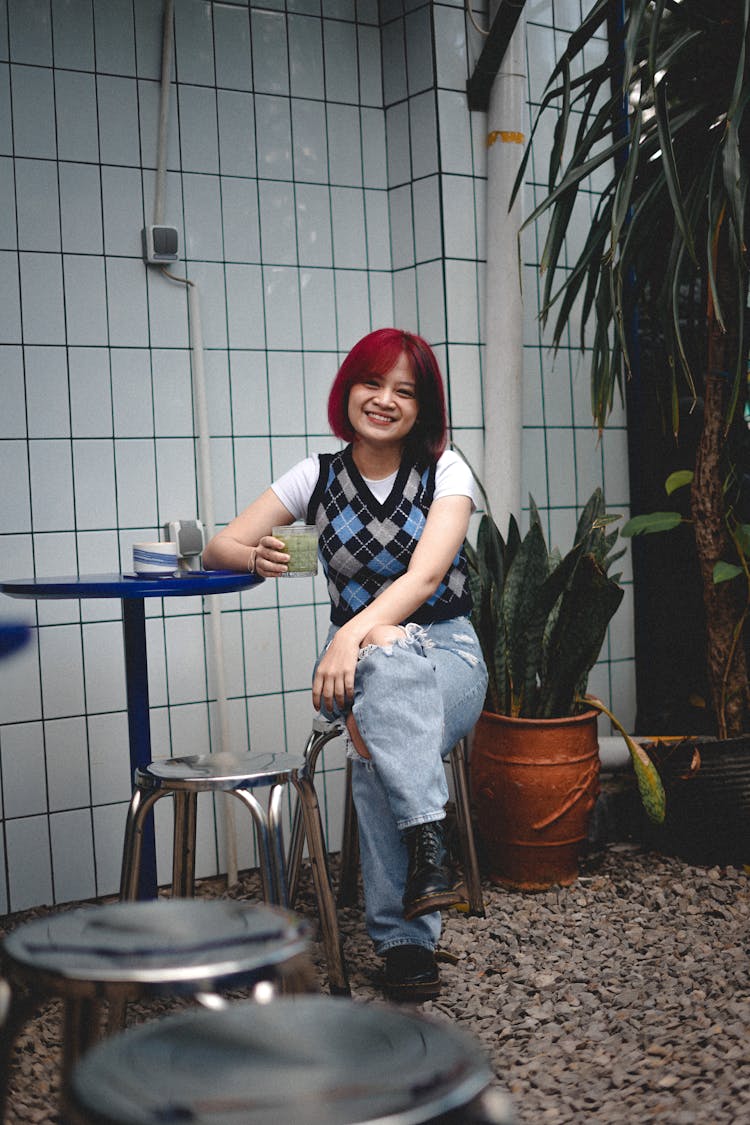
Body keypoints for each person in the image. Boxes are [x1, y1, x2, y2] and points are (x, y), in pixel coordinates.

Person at [202, 328, 488, 1001]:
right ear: (349, 389)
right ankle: (425, 858)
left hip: (447, 655)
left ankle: (403, 935)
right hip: (363, 672)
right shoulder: (318, 476)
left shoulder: (448, 470)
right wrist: (253, 557)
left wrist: (346, 641)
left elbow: (422, 579)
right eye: (372, 382)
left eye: (405, 390)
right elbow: (221, 543)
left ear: (424, 407)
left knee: (374, 727)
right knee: (382, 694)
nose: (384, 399)